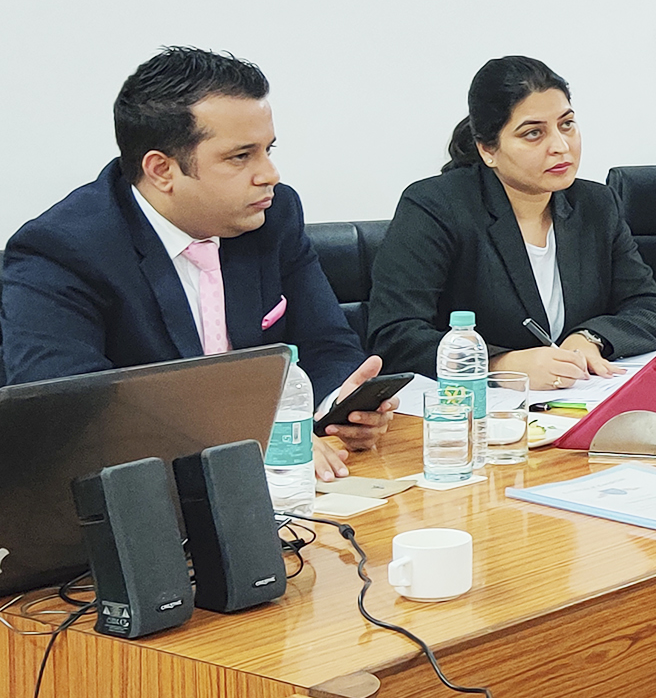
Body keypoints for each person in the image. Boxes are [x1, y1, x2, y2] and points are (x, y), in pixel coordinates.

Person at [1, 47, 393, 482]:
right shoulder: (61, 251)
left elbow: (327, 344)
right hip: (137, 506)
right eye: (241, 157)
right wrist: (253, 441)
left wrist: (339, 406)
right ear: (161, 170)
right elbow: (70, 413)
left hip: (289, 494)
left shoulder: (273, 216)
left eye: (268, 149)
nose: (270, 174)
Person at [367, 56, 656, 391]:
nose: (560, 146)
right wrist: (499, 364)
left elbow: (649, 306)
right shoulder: (436, 207)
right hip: (471, 418)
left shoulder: (596, 205)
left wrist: (591, 337)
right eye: (533, 133)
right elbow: (394, 336)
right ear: (487, 150)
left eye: (566, 124)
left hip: (574, 406)